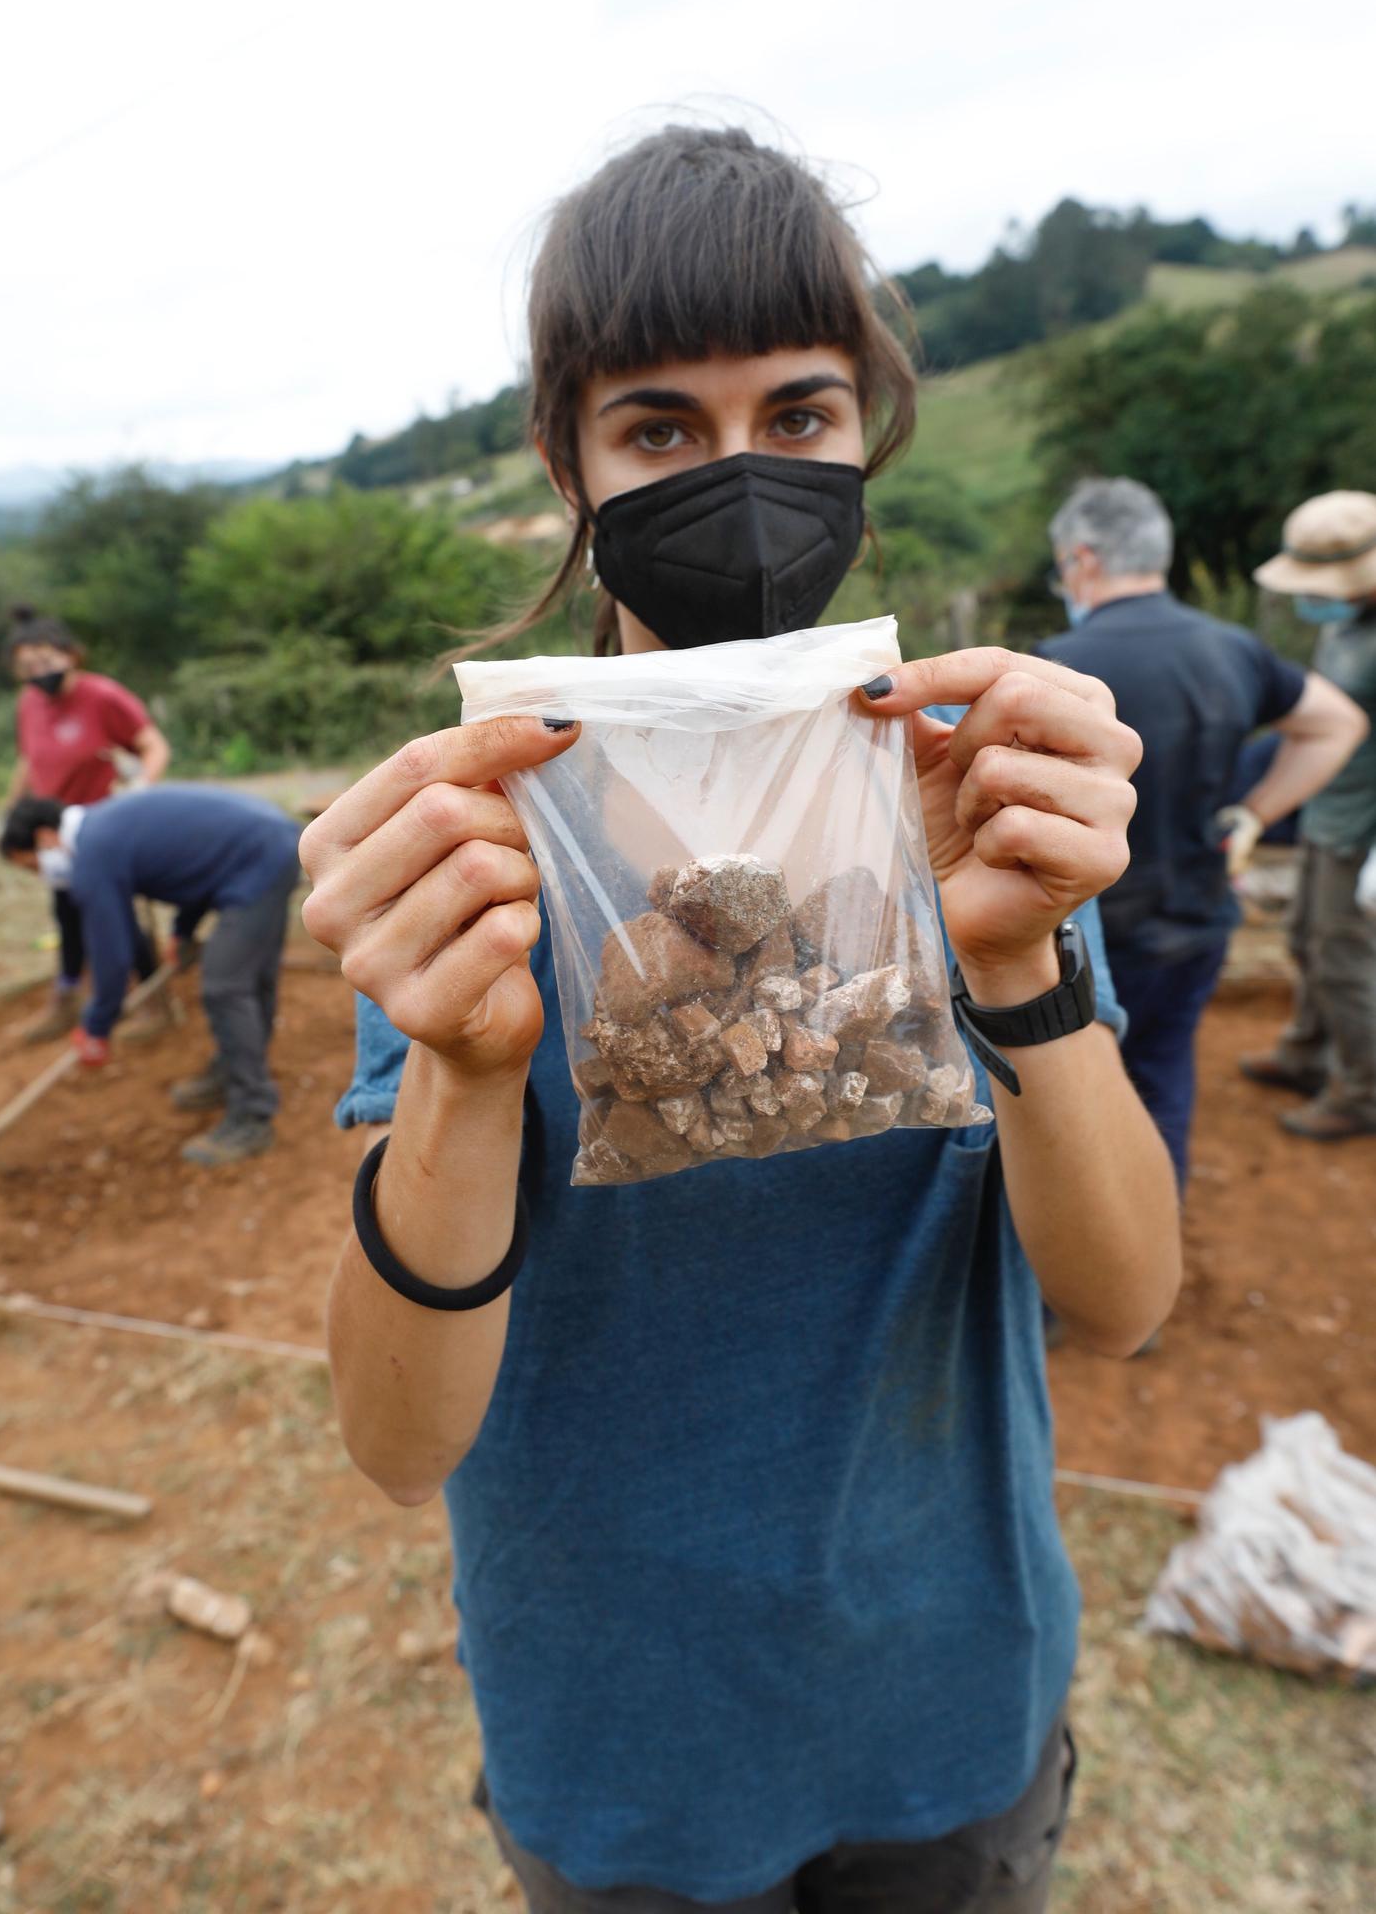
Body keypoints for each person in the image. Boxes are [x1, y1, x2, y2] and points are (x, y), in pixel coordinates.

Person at [300, 125, 1181, 1914]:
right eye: (659, 429)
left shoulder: (970, 804)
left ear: (868, 430)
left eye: (795, 416)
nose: (740, 476)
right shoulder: (488, 852)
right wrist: (474, 1071)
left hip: (946, 1703)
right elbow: (398, 1445)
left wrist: (1010, 965)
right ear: (569, 459)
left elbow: (1121, 1302)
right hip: (623, 1745)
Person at [1039, 478, 1365, 1186]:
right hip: (1197, 921)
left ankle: (1082, 1261)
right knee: (1163, 1075)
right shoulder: (1234, 649)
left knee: (1077, 1095)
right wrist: (1257, 811)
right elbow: (1337, 723)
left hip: (1100, 935)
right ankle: (1159, 1228)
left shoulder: (1054, 666)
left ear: (1084, 560)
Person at [0, 785, 301, 1166]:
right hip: (264, 847)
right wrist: (183, 930)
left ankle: (252, 1114)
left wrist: (96, 1026)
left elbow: (113, 953)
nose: (40, 874)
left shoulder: (93, 853)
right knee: (247, 978)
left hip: (261, 859)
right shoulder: (101, 829)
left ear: (45, 837)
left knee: (227, 986)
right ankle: (231, 1071)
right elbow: (197, 861)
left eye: (32, 865)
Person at [1242, 490, 1376, 1139]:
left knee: (1343, 954)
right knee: (1304, 937)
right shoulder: (1345, 623)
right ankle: (1305, 1053)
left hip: (1363, 831)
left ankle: (1363, 1090)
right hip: (1330, 810)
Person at [4, 604, 172, 1044]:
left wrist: (141, 788)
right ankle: (67, 997)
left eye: (45, 662)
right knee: (66, 913)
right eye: (27, 668)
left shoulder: (103, 696)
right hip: (54, 836)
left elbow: (153, 746)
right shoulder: (30, 704)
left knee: (116, 913)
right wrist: (11, 810)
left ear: (70, 655)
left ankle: (154, 999)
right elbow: (29, 760)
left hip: (103, 831)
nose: (38, 673)